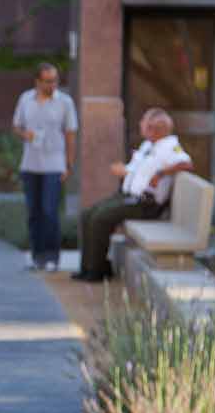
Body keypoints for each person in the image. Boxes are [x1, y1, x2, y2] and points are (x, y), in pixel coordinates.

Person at [73, 108, 195, 284]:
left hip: (146, 204)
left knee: (100, 218)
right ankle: (89, 267)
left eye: (144, 122)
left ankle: (97, 270)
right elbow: (137, 169)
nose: (140, 124)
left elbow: (186, 164)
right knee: (87, 215)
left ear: (154, 128)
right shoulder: (148, 145)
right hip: (128, 197)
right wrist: (125, 171)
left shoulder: (170, 146)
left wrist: (160, 174)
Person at [11, 62, 78, 271]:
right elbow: (16, 126)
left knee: (49, 211)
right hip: (30, 162)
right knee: (34, 212)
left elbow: (70, 133)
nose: (53, 85)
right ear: (38, 81)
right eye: (48, 81)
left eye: (55, 80)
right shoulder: (25, 99)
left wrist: (69, 164)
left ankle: (52, 257)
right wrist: (25, 134)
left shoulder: (65, 102)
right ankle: (36, 256)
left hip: (54, 163)